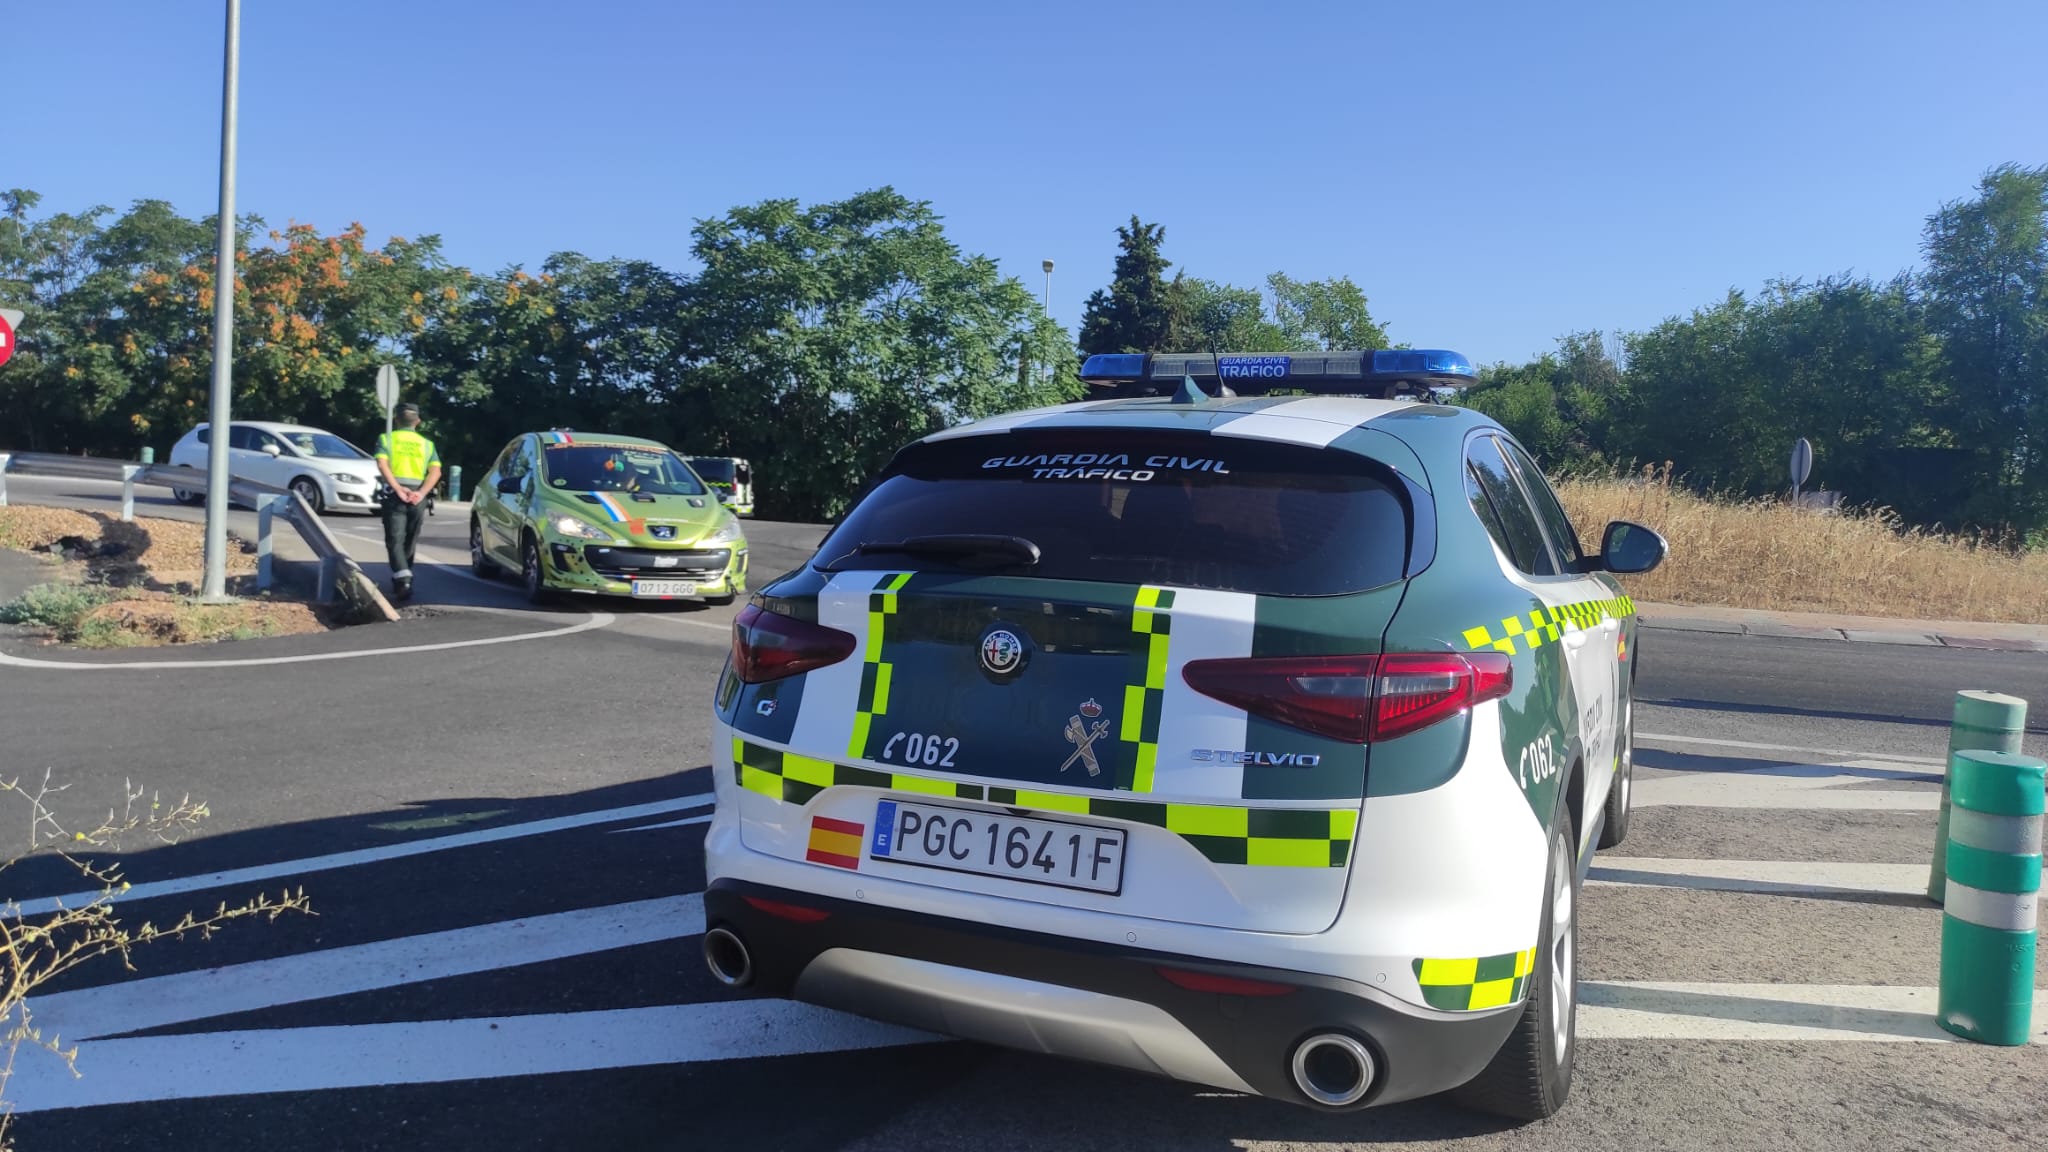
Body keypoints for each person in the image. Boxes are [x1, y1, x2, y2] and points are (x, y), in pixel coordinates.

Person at [374, 402, 442, 602]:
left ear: (396, 420)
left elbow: (382, 463)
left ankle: (403, 578)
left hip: (395, 495)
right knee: (409, 539)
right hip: (418, 498)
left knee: (395, 539)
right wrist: (421, 493)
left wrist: (397, 487)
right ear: (418, 421)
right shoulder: (427, 444)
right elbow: (436, 471)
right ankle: (404, 578)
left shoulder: (386, 439)